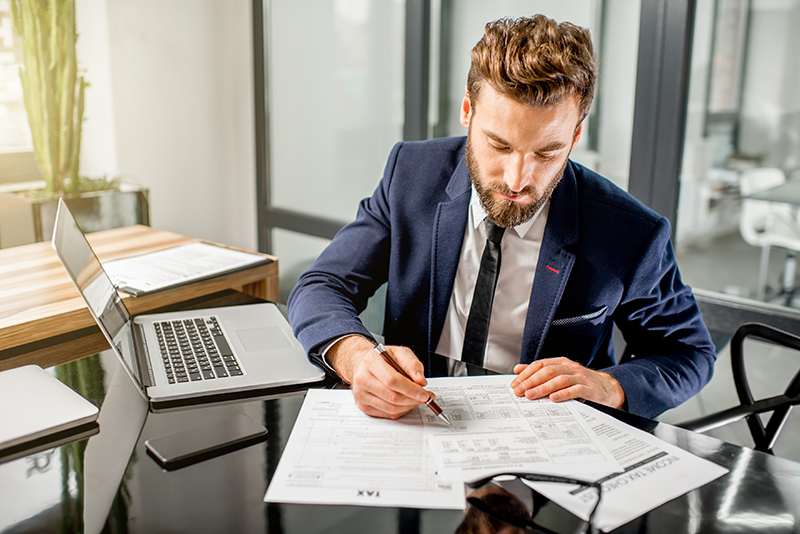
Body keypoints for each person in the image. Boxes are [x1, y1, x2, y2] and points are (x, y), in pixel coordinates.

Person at [288, 14, 715, 421]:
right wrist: (357, 356)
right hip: (415, 422)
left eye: (547, 153)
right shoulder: (411, 174)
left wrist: (608, 386)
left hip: (550, 447)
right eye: (499, 145)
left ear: (576, 135)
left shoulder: (630, 232)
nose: (517, 179)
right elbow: (323, 283)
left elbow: (690, 354)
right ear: (468, 112)